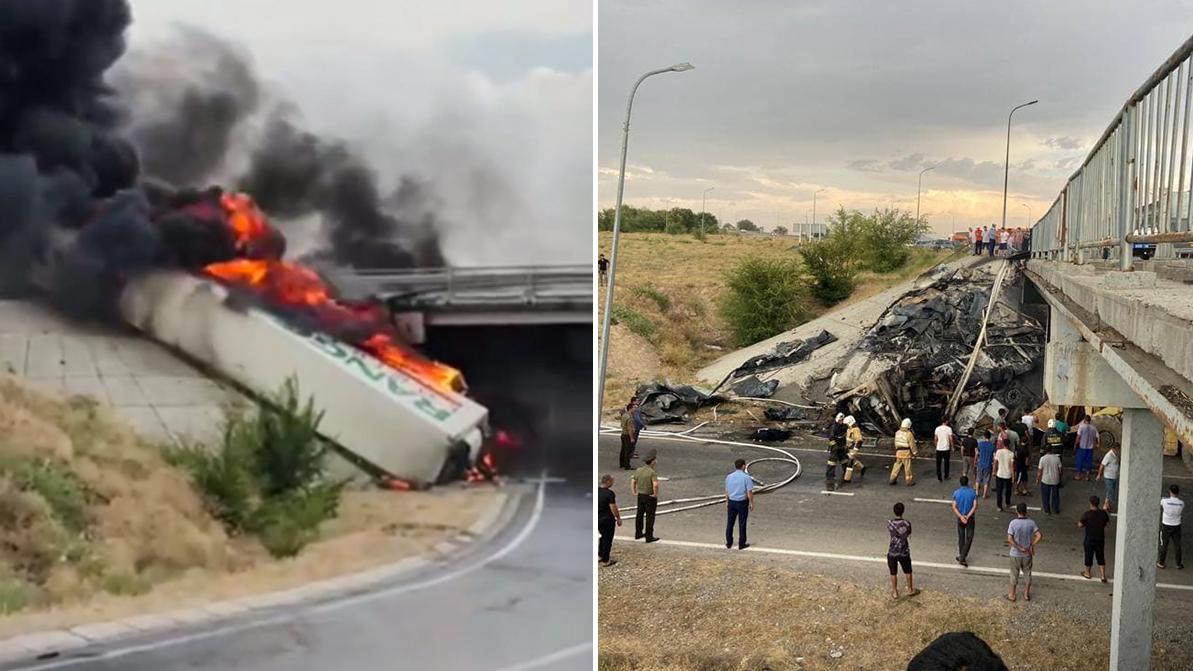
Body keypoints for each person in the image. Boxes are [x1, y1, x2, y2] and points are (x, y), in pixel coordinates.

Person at [1006, 502, 1042, 602]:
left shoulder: (1013, 523)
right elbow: (1039, 535)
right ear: (1026, 511)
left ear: (1016, 511)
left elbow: (1009, 539)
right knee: (1027, 573)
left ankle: (1012, 594)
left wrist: (1018, 547)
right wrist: (1032, 545)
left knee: (1014, 574)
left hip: (1015, 554)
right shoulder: (1031, 522)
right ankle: (1026, 594)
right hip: (1027, 553)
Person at [887, 502, 918, 599]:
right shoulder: (907, 523)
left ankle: (895, 591)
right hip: (904, 551)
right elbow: (908, 533)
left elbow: (891, 533)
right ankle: (910, 589)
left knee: (893, 572)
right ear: (903, 511)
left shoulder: (890, 523)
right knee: (908, 571)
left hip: (892, 551)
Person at [1078, 495, 1110, 582]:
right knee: (1100, 556)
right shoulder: (1103, 513)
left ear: (1090, 503)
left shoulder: (1086, 514)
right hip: (1100, 538)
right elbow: (1107, 525)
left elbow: (1080, 525)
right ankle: (1103, 575)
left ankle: (1087, 573)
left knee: (1089, 555)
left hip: (1089, 538)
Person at [631, 449, 660, 543]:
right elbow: (655, 484)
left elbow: (633, 481)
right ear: (652, 461)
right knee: (650, 516)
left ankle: (638, 532)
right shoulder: (652, 472)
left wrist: (634, 491)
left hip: (640, 495)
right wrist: (655, 494)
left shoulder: (639, 470)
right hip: (649, 496)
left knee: (639, 514)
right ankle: (649, 536)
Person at [725, 458, 754, 549]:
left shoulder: (729, 476)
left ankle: (729, 542)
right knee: (742, 523)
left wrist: (727, 501)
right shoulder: (746, 477)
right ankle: (741, 543)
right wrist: (751, 503)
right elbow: (749, 492)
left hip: (732, 501)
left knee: (730, 522)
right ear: (743, 466)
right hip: (742, 502)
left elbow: (727, 490)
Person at [952, 475, 978, 567]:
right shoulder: (973, 492)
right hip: (970, 518)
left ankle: (961, 555)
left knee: (961, 537)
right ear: (968, 482)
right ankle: (962, 556)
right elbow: (975, 506)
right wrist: (967, 516)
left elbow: (954, 506)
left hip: (960, 517)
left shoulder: (956, 493)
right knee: (969, 537)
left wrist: (961, 516)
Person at [1158, 484, 1184, 570]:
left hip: (1166, 525)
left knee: (1164, 544)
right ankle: (1178, 564)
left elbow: (1160, 502)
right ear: (1178, 492)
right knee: (1177, 545)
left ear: (1170, 491)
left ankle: (1161, 562)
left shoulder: (1164, 501)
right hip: (1176, 526)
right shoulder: (1181, 503)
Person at [597, 474, 621, 566]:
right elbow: (613, 507)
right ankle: (606, 559)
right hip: (607, 519)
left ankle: (600, 555)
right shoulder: (609, 493)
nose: (613, 483)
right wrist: (618, 518)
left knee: (602, 537)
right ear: (608, 482)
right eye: (612, 481)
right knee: (608, 539)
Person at [890, 417, 917, 486]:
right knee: (907, 468)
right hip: (906, 453)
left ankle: (892, 479)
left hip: (899, 452)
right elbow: (912, 444)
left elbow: (896, 442)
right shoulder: (909, 434)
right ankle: (909, 481)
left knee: (896, 466)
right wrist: (915, 453)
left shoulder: (897, 433)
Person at [1036, 446, 1062, 515]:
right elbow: (1060, 470)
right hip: (1055, 479)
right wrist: (1059, 478)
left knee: (1045, 496)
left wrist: (1038, 479)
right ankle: (1055, 509)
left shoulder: (1042, 459)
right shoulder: (1057, 458)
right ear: (1052, 450)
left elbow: (1040, 471)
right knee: (1055, 495)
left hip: (1045, 479)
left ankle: (1047, 510)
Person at [826, 412, 848, 490]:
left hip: (841, 446)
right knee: (832, 462)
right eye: (840, 420)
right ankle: (830, 475)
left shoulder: (845, 426)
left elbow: (845, 435)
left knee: (844, 460)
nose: (841, 422)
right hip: (835, 447)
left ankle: (846, 473)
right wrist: (834, 445)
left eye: (842, 420)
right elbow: (831, 437)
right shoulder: (834, 427)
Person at [994, 435, 1016, 512]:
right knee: (1008, 490)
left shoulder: (998, 452)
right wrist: (1013, 477)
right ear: (1009, 445)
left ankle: (999, 506)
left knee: (999, 491)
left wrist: (994, 471)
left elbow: (995, 463)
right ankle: (1007, 502)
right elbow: (1012, 466)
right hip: (1008, 475)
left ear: (1003, 444)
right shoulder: (1011, 454)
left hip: (999, 474)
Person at [618, 400, 641, 470]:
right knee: (628, 451)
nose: (635, 409)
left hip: (623, 434)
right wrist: (632, 438)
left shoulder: (624, 415)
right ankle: (627, 465)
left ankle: (621, 463)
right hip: (627, 435)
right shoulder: (629, 418)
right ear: (630, 408)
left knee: (623, 450)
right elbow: (630, 429)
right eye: (634, 408)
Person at [1096, 444, 1120, 511]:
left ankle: (1106, 505)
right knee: (1110, 491)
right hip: (1108, 476)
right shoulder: (1108, 455)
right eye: (1117, 449)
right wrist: (1099, 475)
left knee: (1110, 491)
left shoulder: (1117, 455)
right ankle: (1108, 504)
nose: (1118, 451)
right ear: (1114, 449)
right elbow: (1102, 465)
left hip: (1114, 476)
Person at [1075, 416, 1098, 481]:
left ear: (1084, 420)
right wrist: (1094, 446)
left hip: (1082, 447)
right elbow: (1094, 438)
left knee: (1079, 461)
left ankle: (1078, 475)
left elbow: (1078, 437)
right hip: (1090, 448)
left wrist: (1075, 444)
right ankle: (1087, 476)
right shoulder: (1093, 428)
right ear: (1090, 420)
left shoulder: (1081, 427)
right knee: (1089, 462)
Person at [843, 415, 866, 482]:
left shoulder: (856, 430)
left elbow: (859, 440)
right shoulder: (849, 429)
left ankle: (847, 478)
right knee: (852, 460)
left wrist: (855, 450)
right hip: (849, 447)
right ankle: (862, 468)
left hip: (853, 447)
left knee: (850, 461)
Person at [976, 430, 996, 499]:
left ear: (984, 436)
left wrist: (976, 460)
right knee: (986, 480)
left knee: (978, 479)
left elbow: (977, 453)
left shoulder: (980, 444)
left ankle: (976, 492)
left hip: (980, 463)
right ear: (990, 437)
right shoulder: (992, 446)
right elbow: (994, 456)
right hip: (988, 465)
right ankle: (984, 494)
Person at [934, 417, 955, 482]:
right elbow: (951, 439)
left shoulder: (937, 428)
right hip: (946, 448)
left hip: (939, 448)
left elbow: (935, 439)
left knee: (938, 463)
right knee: (946, 463)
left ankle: (939, 477)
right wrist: (952, 447)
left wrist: (936, 446)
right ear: (946, 421)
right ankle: (946, 476)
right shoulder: (949, 429)